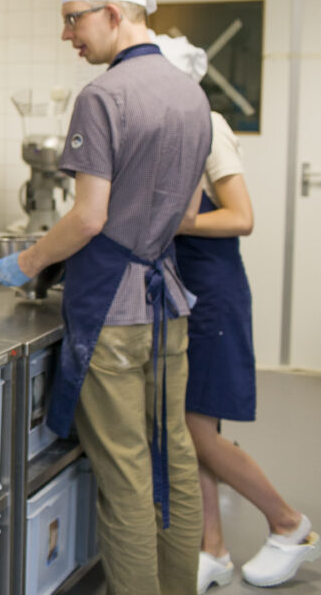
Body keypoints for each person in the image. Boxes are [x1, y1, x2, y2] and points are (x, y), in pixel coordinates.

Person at [0, 0, 212, 594]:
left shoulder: (104, 95)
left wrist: (27, 261)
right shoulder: (190, 93)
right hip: (167, 302)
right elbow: (190, 211)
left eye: (72, 20)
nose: (67, 36)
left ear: (112, 14)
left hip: (113, 314)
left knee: (126, 476)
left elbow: (87, 218)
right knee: (176, 460)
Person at [155, 34, 320, 593]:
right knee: (193, 424)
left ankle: (289, 525)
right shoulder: (170, 130)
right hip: (184, 291)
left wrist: (171, 224)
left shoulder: (209, 126)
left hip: (214, 294)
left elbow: (241, 217)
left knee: (198, 433)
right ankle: (214, 549)